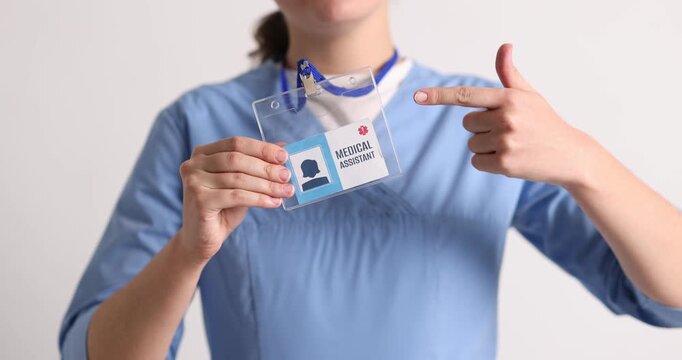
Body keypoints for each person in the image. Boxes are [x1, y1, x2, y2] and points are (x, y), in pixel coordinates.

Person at [60, 1, 682, 359]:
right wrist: (185, 255)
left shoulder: (490, 121)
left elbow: (671, 297)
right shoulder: (197, 127)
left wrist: (584, 160)